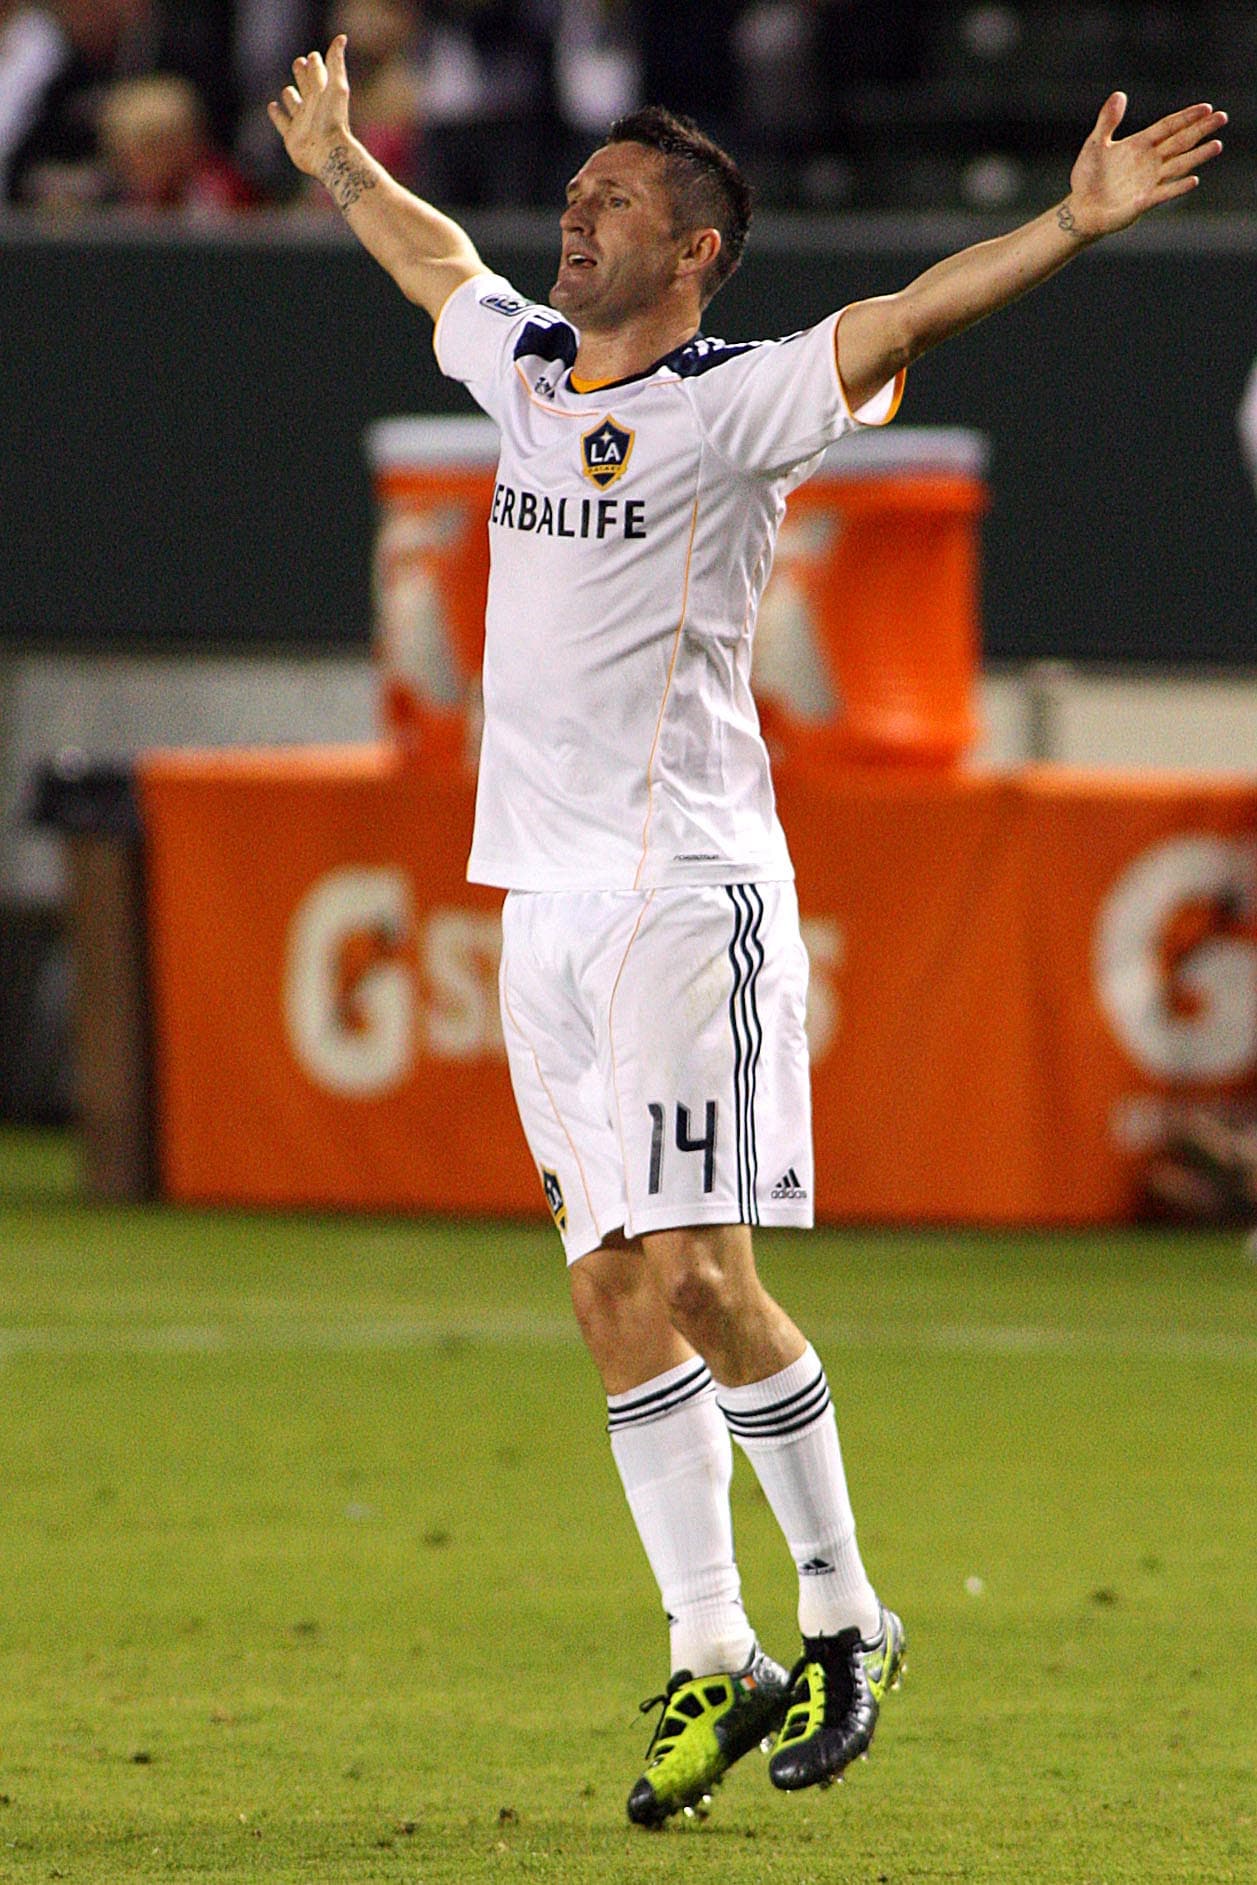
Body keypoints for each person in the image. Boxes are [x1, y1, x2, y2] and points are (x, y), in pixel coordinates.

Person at [268, 40, 1224, 1826]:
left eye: (611, 202)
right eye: (570, 198)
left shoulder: (738, 402)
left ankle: (847, 1612)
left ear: (696, 249)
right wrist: (337, 164)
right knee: (612, 1299)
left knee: (707, 1277)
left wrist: (1071, 225)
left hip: (681, 890)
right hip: (540, 903)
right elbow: (430, 263)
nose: (572, 221)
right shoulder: (529, 374)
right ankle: (715, 1654)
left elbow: (904, 312)